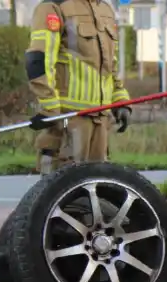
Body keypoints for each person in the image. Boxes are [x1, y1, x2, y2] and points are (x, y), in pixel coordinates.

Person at [25, 0, 132, 174]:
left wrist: (120, 100)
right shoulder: (54, 7)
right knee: (62, 193)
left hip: (100, 124)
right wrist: (50, 108)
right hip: (68, 122)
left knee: (97, 191)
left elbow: (110, 66)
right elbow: (38, 60)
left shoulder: (105, 9)